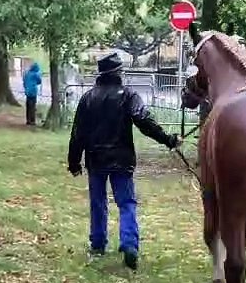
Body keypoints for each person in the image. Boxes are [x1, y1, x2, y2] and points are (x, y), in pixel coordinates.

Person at [67, 54, 179, 268]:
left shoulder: (88, 98)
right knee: (127, 203)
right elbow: (144, 121)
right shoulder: (128, 96)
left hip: (95, 159)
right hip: (122, 159)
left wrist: (74, 161)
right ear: (119, 73)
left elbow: (78, 133)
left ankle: (98, 244)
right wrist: (168, 139)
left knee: (97, 202)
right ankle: (129, 244)